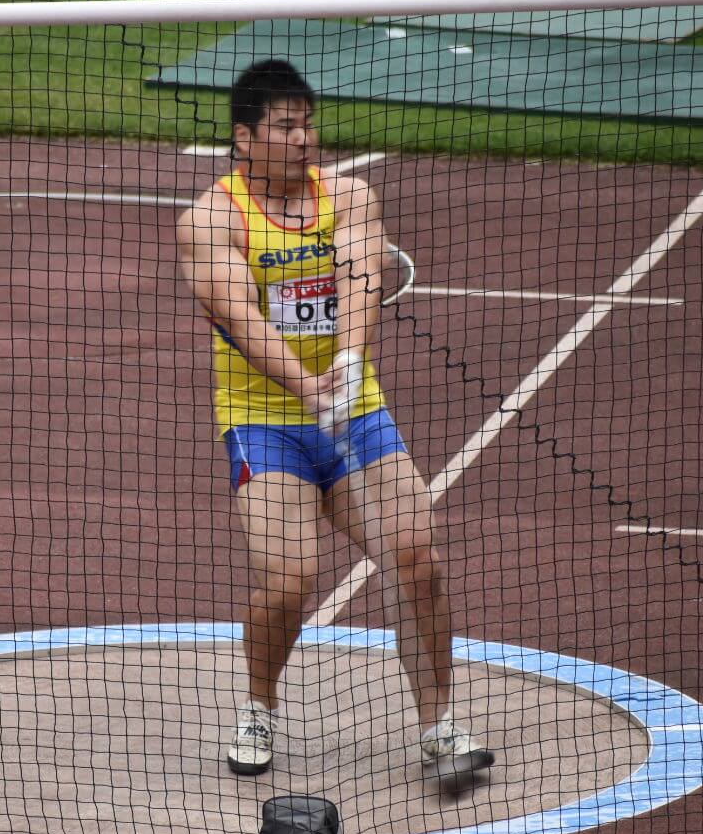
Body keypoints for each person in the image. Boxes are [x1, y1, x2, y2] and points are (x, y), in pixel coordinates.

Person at [175, 59, 493, 779]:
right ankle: (259, 707)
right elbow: (238, 316)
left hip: (357, 415)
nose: (304, 138)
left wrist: (347, 367)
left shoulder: (350, 197)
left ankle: (439, 727)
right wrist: (305, 383)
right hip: (266, 423)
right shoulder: (210, 220)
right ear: (244, 137)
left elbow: (358, 279)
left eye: (309, 123)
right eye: (286, 126)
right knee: (289, 578)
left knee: (418, 558)